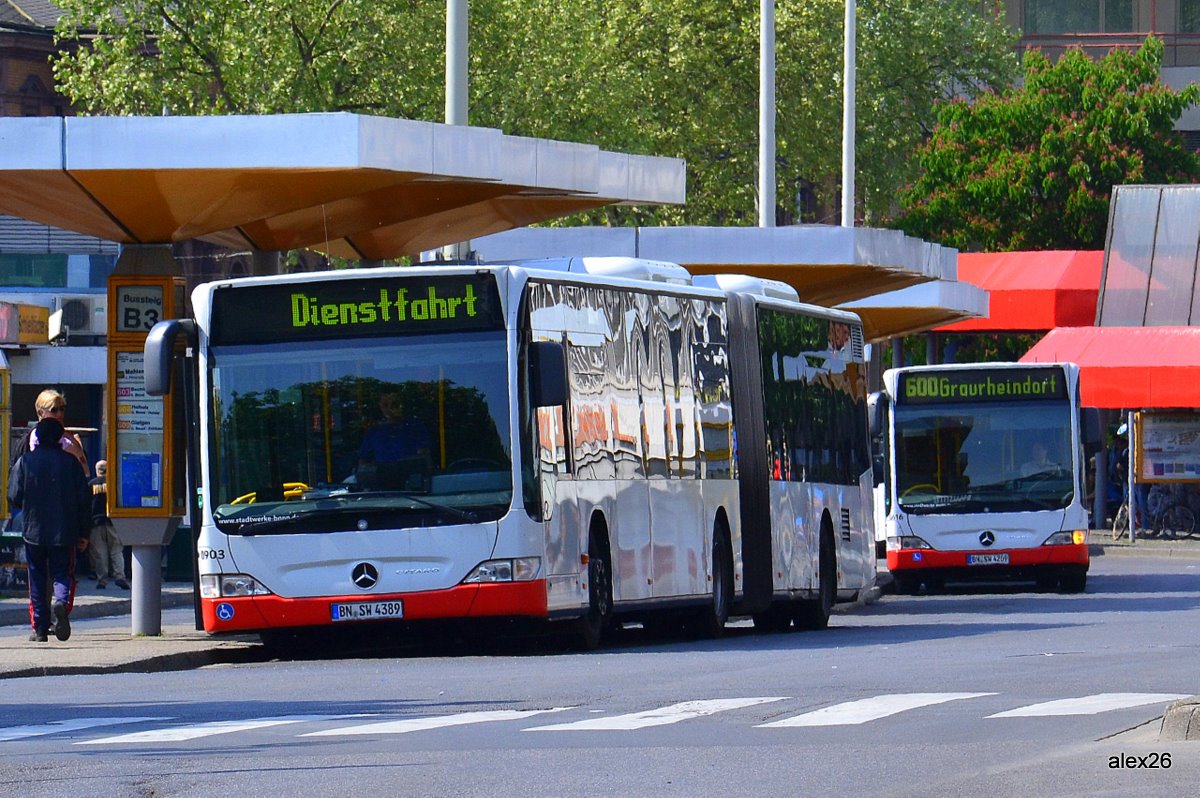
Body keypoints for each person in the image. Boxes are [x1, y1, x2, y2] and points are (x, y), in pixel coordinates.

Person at [8, 417, 91, 643]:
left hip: (33, 531)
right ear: (59, 438)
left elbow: (13, 496)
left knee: (37, 578)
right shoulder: (71, 463)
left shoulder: (26, 461)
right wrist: (84, 533)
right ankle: (61, 603)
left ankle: (40, 629)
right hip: (65, 531)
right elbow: (84, 500)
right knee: (62, 573)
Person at [357, 391, 432, 489]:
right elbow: (363, 465)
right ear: (380, 407)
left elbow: (424, 459)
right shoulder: (373, 432)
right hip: (380, 491)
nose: (389, 409)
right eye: (385, 405)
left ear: (402, 405)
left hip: (412, 489)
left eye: (394, 405)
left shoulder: (415, 428)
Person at [9, 389, 90, 477]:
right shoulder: (27, 441)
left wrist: (76, 444)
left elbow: (85, 474)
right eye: (54, 410)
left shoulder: (68, 439)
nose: (60, 414)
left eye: (62, 409)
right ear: (41, 412)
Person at [88, 460, 129, 590]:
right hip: (113, 522)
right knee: (116, 551)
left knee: (100, 553)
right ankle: (120, 577)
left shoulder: (90, 485)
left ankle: (102, 580)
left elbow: (85, 505)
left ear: (97, 470)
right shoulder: (115, 484)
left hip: (96, 523)